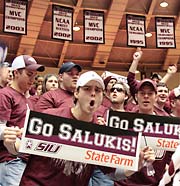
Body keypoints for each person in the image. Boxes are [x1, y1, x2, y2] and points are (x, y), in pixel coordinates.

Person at [17, 71, 154, 186]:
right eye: (87, 89)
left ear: (102, 97)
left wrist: (137, 164)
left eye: (98, 90)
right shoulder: (50, 117)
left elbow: (113, 174)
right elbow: (19, 151)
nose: (93, 93)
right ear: (76, 93)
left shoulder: (101, 132)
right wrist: (12, 142)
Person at [115, 79, 172, 186]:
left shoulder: (166, 125)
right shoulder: (123, 122)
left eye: (150, 93)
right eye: (142, 93)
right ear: (136, 96)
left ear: (155, 96)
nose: (146, 96)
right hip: (126, 183)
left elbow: (170, 157)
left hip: (155, 183)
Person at [0, 55, 45, 186]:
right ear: (15, 73)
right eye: (29, 74)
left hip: (25, 160)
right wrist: (16, 133)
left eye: (35, 75)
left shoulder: (28, 100)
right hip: (11, 160)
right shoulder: (5, 94)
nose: (33, 79)